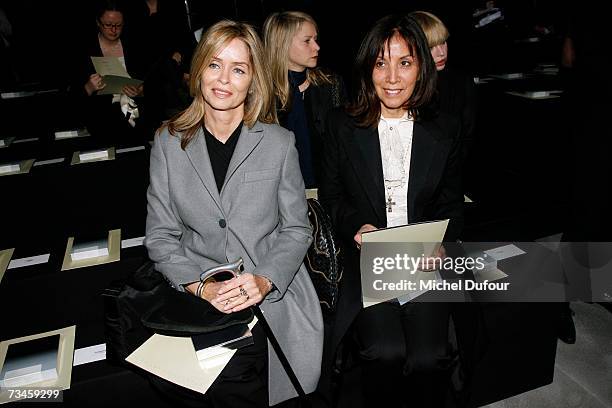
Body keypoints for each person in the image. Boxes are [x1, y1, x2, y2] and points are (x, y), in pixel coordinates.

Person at [144, 19, 323, 407]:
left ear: (252, 78)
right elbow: (160, 236)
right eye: (214, 64)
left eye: (238, 69)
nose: (224, 79)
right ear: (198, 70)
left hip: (273, 293)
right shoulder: (168, 142)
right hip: (198, 295)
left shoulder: (278, 142)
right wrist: (200, 286)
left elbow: (296, 229)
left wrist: (264, 280)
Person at [318, 14, 463, 407]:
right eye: (381, 62)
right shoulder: (341, 125)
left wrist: (441, 241)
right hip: (370, 258)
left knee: (430, 358)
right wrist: (355, 225)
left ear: (422, 68)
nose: (392, 76)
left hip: (421, 258)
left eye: (405, 62)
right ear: (368, 68)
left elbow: (451, 202)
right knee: (384, 351)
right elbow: (330, 198)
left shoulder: (445, 128)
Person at [263, 11, 346, 189]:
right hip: (279, 194)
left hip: (327, 192)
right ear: (282, 44)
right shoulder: (263, 95)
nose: (316, 47)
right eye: (307, 40)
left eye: (316, 39)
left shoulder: (331, 85)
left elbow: (345, 146)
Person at [70, 0, 146, 138]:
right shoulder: (84, 50)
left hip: (136, 120)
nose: (114, 30)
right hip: (100, 124)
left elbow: (153, 81)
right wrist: (88, 88)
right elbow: (71, 98)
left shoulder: (135, 46)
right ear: (98, 23)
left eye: (118, 25)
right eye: (108, 25)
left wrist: (140, 91)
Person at [410, 10, 477, 166]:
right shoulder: (401, 86)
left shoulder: (461, 83)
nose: (441, 52)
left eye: (443, 42)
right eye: (431, 46)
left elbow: (467, 139)